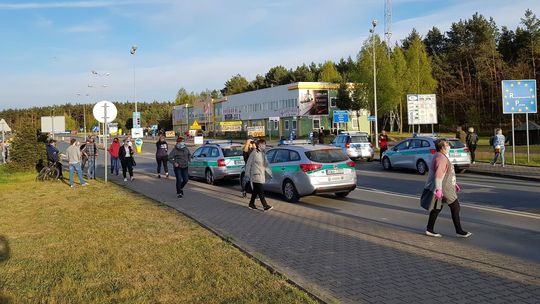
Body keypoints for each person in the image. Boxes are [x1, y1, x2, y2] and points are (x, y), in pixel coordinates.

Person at [422, 139, 471, 238]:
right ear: (442, 147)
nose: (448, 146)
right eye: (447, 144)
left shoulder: (439, 155)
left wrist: (454, 183)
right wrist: (439, 190)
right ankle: (459, 231)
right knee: (455, 207)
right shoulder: (441, 158)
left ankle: (429, 229)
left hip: (446, 186)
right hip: (444, 187)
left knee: (437, 208)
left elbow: (447, 173)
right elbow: (439, 176)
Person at [245, 138, 273, 211]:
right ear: (259, 145)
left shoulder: (263, 153)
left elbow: (266, 165)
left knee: (256, 190)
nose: (264, 145)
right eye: (263, 144)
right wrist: (247, 174)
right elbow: (248, 163)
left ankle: (251, 204)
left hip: (261, 173)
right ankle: (265, 206)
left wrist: (269, 172)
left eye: (265, 144)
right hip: (255, 174)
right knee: (260, 190)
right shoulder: (254, 153)